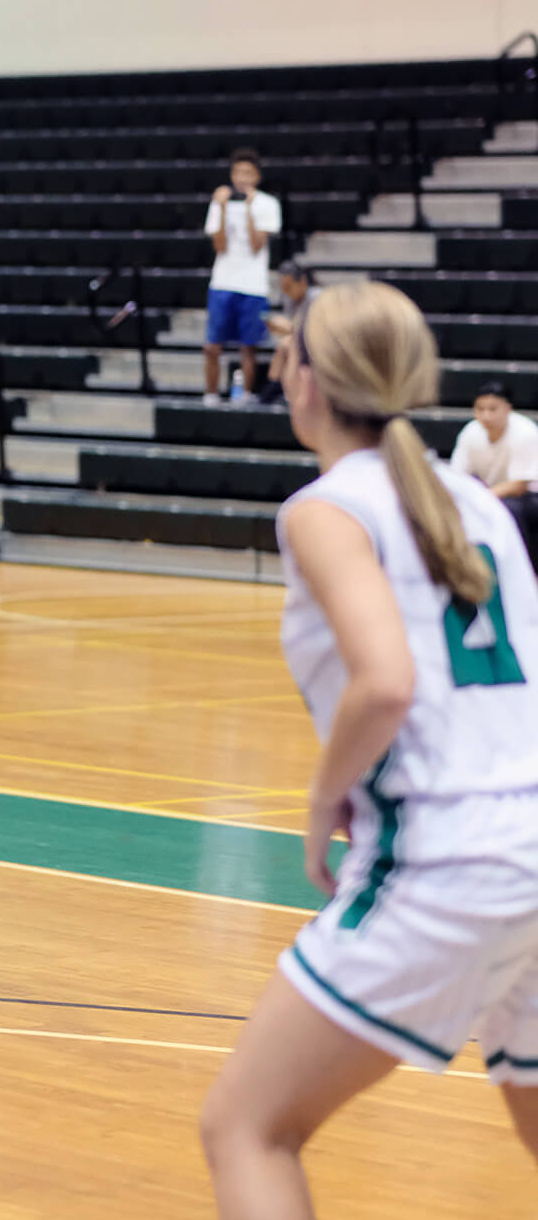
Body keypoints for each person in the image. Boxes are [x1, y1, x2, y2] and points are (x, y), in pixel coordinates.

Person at [200, 282, 538, 1217]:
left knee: (246, 1126)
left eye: (285, 349)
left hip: (451, 857)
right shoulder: (481, 505)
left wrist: (320, 802)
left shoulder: (326, 508)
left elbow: (384, 681)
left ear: (306, 378)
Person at [202, 149, 282, 407]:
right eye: (238, 173)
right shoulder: (219, 202)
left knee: (249, 347)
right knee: (212, 346)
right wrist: (223, 209)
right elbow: (219, 245)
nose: (242, 178)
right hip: (222, 282)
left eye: (248, 173)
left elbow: (258, 245)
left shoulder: (268, 204)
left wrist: (248, 210)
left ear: (257, 176)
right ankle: (211, 395)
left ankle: (245, 396)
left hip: (253, 285)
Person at [451, 381, 538, 566]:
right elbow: (457, 476)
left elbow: (519, 485)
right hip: (491, 492)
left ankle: (521, 567)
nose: (485, 415)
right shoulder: (470, 432)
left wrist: (481, 496)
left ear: (507, 409)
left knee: (510, 508)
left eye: (492, 409)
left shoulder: (526, 432)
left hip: (528, 497)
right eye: (480, 409)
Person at [259, 261, 320, 405]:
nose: (286, 291)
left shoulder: (317, 297)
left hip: (320, 345)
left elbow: (319, 330)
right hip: (301, 343)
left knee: (286, 344)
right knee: (286, 343)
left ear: (302, 281)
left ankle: (271, 391)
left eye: (288, 287)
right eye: (283, 288)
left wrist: (291, 328)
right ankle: (277, 389)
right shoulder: (289, 299)